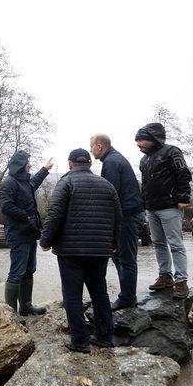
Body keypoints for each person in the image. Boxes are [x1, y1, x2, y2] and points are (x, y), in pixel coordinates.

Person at [39, 148, 121, 353]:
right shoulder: (107, 185)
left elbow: (55, 214)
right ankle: (105, 336)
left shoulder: (66, 183)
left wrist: (45, 240)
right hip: (100, 250)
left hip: (70, 251)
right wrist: (113, 242)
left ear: (70, 164)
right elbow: (118, 217)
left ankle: (80, 340)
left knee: (72, 295)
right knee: (99, 292)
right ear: (90, 164)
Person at [135, 123, 192, 299]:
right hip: (151, 208)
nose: (138, 144)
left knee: (175, 244)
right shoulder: (144, 160)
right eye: (137, 141)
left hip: (170, 206)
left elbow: (183, 173)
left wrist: (183, 197)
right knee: (158, 243)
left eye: (141, 140)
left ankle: (181, 281)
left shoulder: (172, 152)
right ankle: (165, 275)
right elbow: (145, 184)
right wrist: (144, 204)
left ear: (153, 138)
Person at [90, 134, 145, 310]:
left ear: (99, 146)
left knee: (126, 258)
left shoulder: (111, 163)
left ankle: (128, 299)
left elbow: (109, 194)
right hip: (128, 215)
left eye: (91, 146)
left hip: (127, 216)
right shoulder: (115, 158)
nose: (90, 150)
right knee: (119, 256)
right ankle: (127, 295)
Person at [0, 150, 53, 319]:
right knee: (17, 272)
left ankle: (26, 306)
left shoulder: (24, 181)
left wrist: (45, 169)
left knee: (29, 270)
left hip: (30, 233)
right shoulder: (9, 182)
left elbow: (34, 182)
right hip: (18, 233)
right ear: (21, 165)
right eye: (28, 162)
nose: (30, 164)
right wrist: (27, 216)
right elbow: (6, 206)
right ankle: (11, 312)